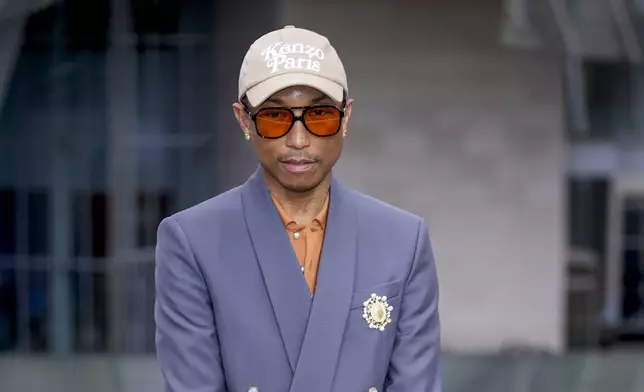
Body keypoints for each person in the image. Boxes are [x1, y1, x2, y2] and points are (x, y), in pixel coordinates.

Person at [155, 25, 442, 392]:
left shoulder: (403, 240)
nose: (299, 140)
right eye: (275, 118)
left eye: (320, 115)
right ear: (245, 121)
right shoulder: (192, 241)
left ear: (346, 118)